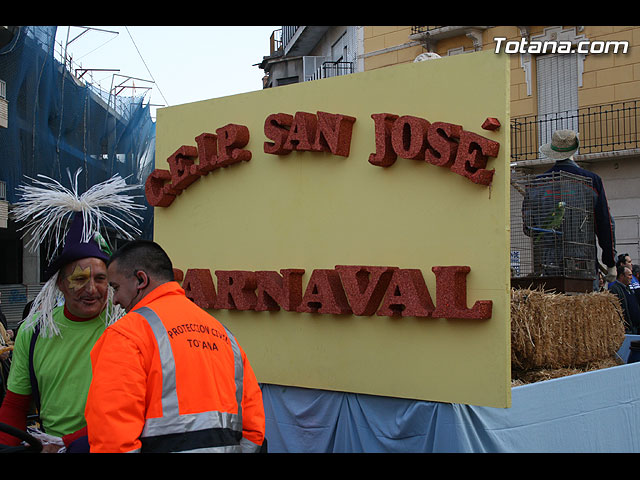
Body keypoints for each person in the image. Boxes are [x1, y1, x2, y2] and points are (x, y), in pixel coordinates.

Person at [0, 171, 143, 453]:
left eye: (100, 278)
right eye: (79, 278)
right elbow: (16, 404)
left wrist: (69, 445)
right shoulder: (35, 330)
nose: (91, 289)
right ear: (61, 285)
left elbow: (137, 407)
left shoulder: (128, 329)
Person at [85, 240, 265, 453]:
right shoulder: (225, 336)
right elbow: (254, 431)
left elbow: (112, 440)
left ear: (140, 280)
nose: (115, 300)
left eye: (115, 287)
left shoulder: (126, 334)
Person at [526, 130, 617, 285]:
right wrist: (610, 262)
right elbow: (605, 224)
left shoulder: (536, 184)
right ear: (575, 149)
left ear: (553, 152)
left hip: (550, 264)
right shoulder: (591, 181)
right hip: (584, 263)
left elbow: (528, 227)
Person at [608, 265, 640, 334]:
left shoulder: (629, 288)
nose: (631, 278)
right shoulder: (614, 289)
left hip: (635, 326)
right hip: (626, 328)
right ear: (622, 276)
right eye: (629, 275)